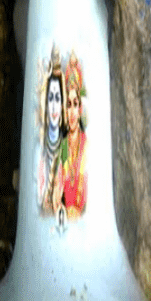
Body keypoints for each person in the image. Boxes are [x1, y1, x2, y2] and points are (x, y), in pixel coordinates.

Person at [54, 51, 87, 219]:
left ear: (80, 110)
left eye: (75, 105)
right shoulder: (64, 145)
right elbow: (60, 179)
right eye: (68, 105)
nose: (72, 111)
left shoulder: (86, 144)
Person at [37, 45, 64, 214]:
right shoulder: (40, 146)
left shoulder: (66, 147)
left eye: (58, 99)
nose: (54, 106)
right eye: (51, 99)